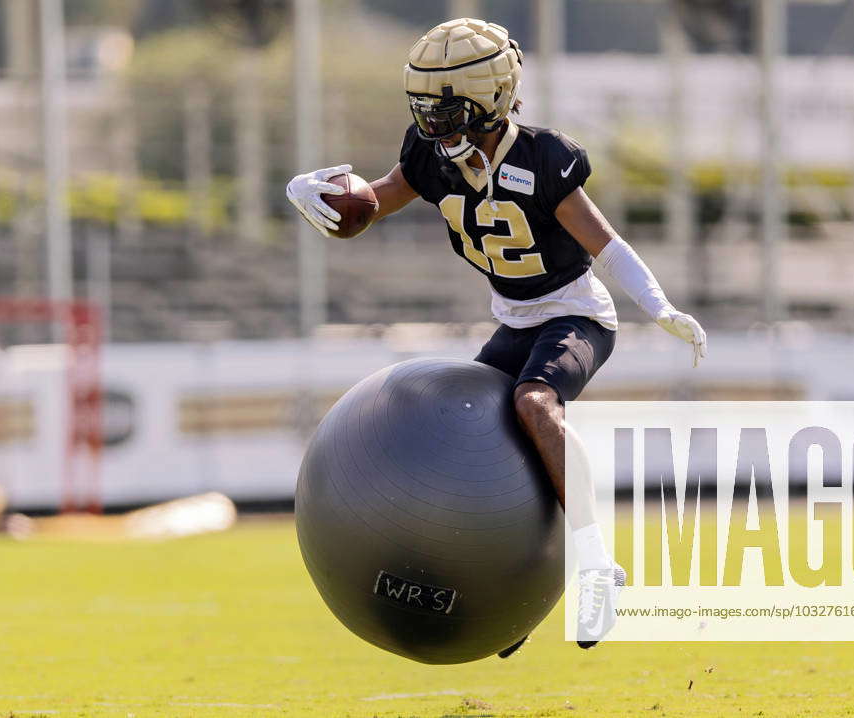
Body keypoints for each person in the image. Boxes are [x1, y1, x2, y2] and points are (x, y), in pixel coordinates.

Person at [286, 18, 706, 652]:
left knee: (534, 405)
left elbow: (607, 245)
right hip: (514, 322)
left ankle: (596, 564)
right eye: (423, 105)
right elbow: (372, 201)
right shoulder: (430, 158)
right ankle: (515, 601)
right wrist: (314, 195)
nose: (431, 120)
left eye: (445, 105)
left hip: (574, 315)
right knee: (477, 430)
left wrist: (661, 306)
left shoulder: (543, 158)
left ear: (489, 98)